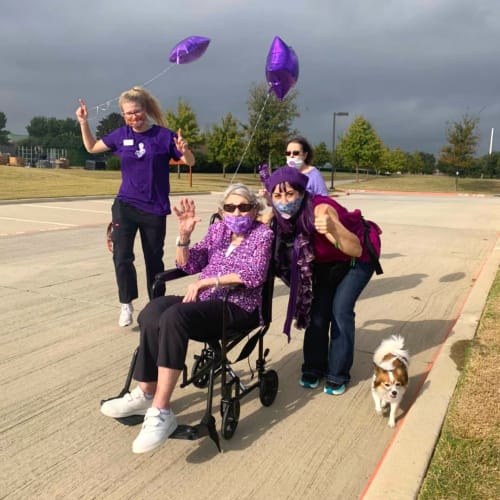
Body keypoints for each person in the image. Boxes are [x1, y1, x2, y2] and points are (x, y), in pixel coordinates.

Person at [100, 184, 274, 453]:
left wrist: (208, 283)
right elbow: (188, 265)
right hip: (206, 303)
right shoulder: (219, 230)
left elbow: (254, 275)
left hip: (238, 306)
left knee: (176, 316)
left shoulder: (263, 234)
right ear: (222, 211)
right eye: (230, 207)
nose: (236, 212)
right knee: (153, 311)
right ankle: (146, 392)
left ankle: (162, 411)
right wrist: (184, 235)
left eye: (244, 207)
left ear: (254, 210)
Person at [75, 87, 195, 327]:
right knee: (122, 256)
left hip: (154, 208)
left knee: (154, 260)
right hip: (125, 205)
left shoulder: (163, 136)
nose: (133, 117)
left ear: (145, 110)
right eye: (128, 113)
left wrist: (185, 150)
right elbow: (91, 147)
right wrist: (83, 122)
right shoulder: (121, 135)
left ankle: (156, 307)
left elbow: (189, 162)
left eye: (137, 112)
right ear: (123, 115)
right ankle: (126, 304)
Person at [264, 166, 382, 396]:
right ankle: (313, 367)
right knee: (318, 313)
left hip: (357, 259)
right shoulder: (279, 216)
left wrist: (331, 230)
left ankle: (338, 373)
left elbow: (355, 249)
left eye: (290, 194)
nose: (284, 201)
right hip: (328, 264)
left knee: (340, 310)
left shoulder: (321, 210)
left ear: (302, 192)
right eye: (278, 196)